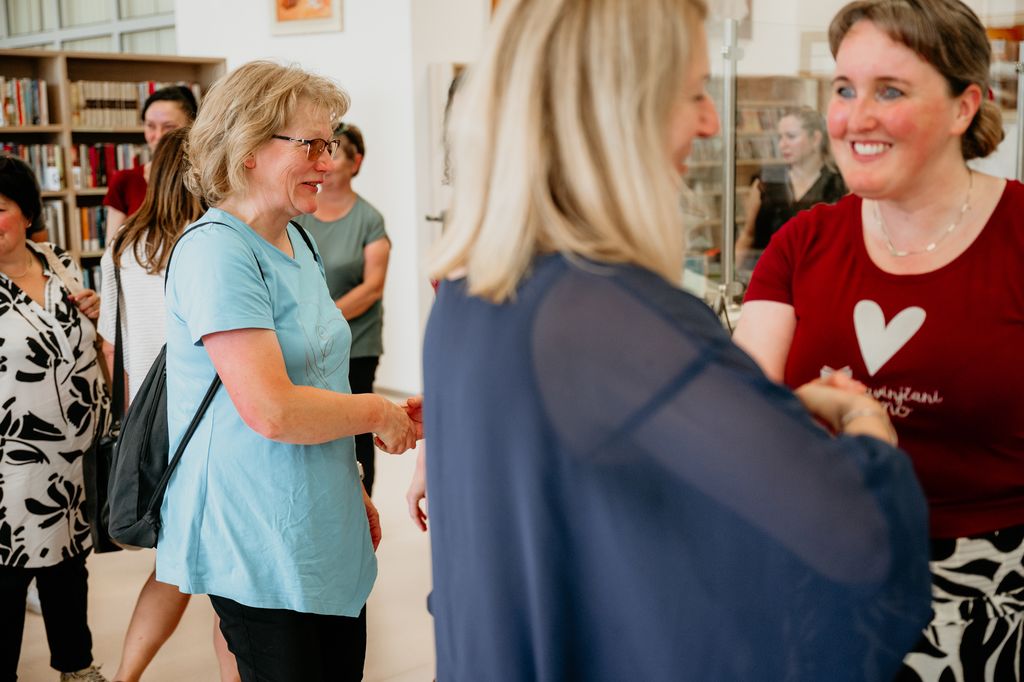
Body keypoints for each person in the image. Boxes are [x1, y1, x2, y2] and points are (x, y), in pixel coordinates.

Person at [421, 0, 933, 680]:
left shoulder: (467, 296)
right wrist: (866, 424)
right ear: (618, 110)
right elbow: (856, 532)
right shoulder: (610, 315)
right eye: (693, 93)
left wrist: (762, 414)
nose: (711, 121)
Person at [733, 1, 1021, 680]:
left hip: (991, 599)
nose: (855, 117)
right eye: (844, 89)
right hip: (823, 578)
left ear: (963, 107)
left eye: (889, 91)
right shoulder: (802, 242)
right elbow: (739, 425)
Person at [160, 60, 418, 682]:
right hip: (257, 533)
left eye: (331, 145)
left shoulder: (297, 240)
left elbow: (320, 376)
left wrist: (349, 481)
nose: (328, 163)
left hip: (316, 520)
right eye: (313, 145)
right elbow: (272, 409)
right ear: (248, 147)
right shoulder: (217, 251)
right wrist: (377, 412)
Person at [96, 128, 240, 682]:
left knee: (173, 563)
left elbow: (112, 346)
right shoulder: (214, 242)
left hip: (152, 421)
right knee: (230, 572)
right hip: (214, 416)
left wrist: (135, 417)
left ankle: (125, 676)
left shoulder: (123, 247)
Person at [0, 154, 109, 681]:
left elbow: (86, 335)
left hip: (71, 455)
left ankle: (77, 667)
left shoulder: (58, 260)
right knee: (6, 575)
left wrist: (97, 309)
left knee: (67, 566)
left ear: (26, 213)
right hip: (11, 458)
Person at [294, 122, 390, 496]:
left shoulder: (369, 219)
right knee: (318, 423)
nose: (325, 162)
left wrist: (325, 319)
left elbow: (372, 287)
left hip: (357, 341)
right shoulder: (299, 215)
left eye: (334, 153)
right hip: (306, 340)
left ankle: (365, 502)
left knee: (358, 427)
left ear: (356, 162)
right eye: (321, 151)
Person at [735, 107, 847, 268]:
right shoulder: (767, 180)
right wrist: (734, 273)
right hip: (768, 275)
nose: (782, 145)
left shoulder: (838, 184)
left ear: (815, 139)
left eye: (791, 136)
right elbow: (748, 235)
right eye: (779, 137)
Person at [102, 85, 198, 244]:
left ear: (192, 126)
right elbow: (112, 247)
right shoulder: (125, 181)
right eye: (150, 126)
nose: (158, 136)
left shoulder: (205, 181)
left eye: (169, 127)